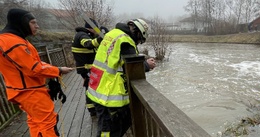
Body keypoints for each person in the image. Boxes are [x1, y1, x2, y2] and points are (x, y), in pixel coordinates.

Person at [0, 8, 73, 137]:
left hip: (24, 90)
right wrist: (58, 70)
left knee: (36, 123)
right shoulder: (13, 42)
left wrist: (56, 69)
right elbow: (34, 68)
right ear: (21, 23)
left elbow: (34, 63)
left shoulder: (13, 39)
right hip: (29, 91)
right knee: (48, 124)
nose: (37, 26)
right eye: (33, 22)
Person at [86, 18, 156, 137]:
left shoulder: (112, 34)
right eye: (140, 40)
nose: (138, 43)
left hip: (97, 87)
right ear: (138, 33)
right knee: (108, 132)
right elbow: (131, 66)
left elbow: (117, 58)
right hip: (108, 95)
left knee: (108, 126)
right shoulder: (126, 41)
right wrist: (147, 65)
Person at [72, 18, 108, 117]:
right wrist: (101, 38)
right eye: (96, 29)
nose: (97, 32)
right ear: (91, 28)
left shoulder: (84, 34)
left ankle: (93, 108)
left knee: (91, 87)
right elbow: (88, 44)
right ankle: (93, 110)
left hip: (86, 68)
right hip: (86, 68)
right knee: (90, 88)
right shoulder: (82, 35)